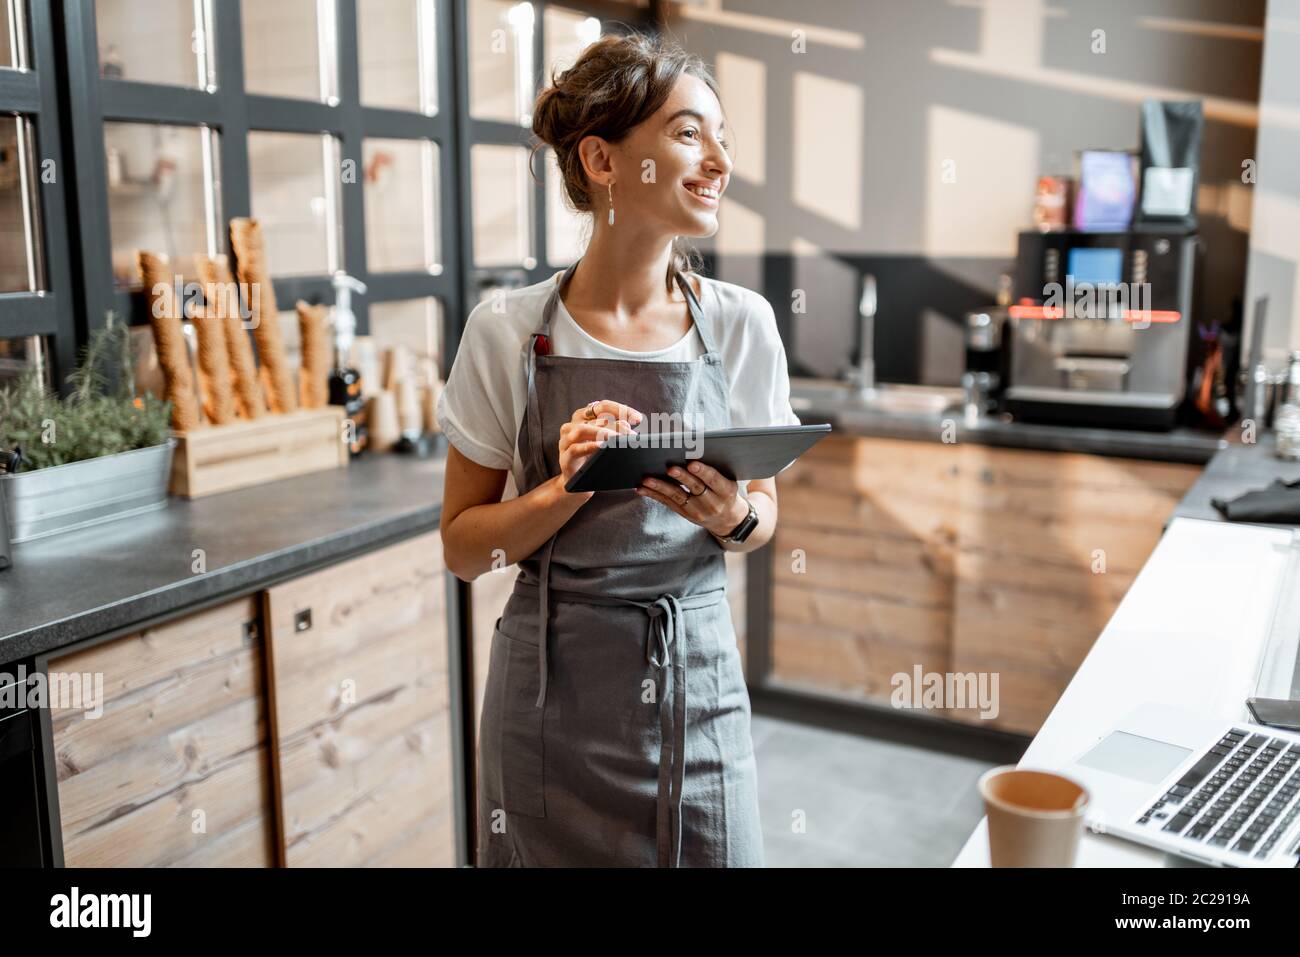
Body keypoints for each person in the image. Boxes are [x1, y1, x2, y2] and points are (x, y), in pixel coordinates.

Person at [437, 31, 799, 867]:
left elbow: (763, 520)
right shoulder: (507, 330)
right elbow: (463, 549)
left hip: (696, 684)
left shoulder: (741, 324)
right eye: (686, 133)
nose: (717, 161)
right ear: (602, 159)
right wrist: (563, 488)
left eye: (721, 138)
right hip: (547, 698)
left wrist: (736, 515)